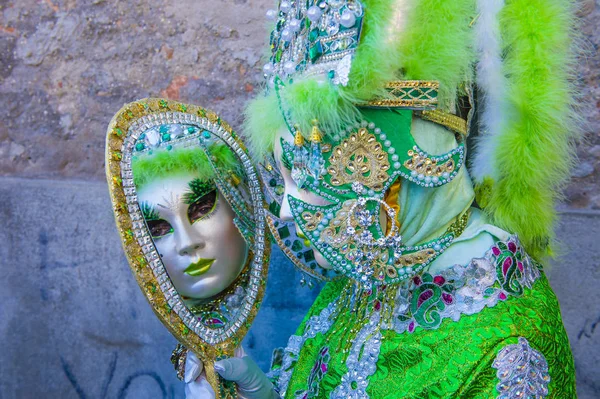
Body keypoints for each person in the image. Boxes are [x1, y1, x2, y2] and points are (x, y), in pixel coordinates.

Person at [224, 0, 578, 397]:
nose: (287, 211)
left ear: (403, 163)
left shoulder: (505, 345)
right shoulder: (376, 264)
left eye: (307, 174)